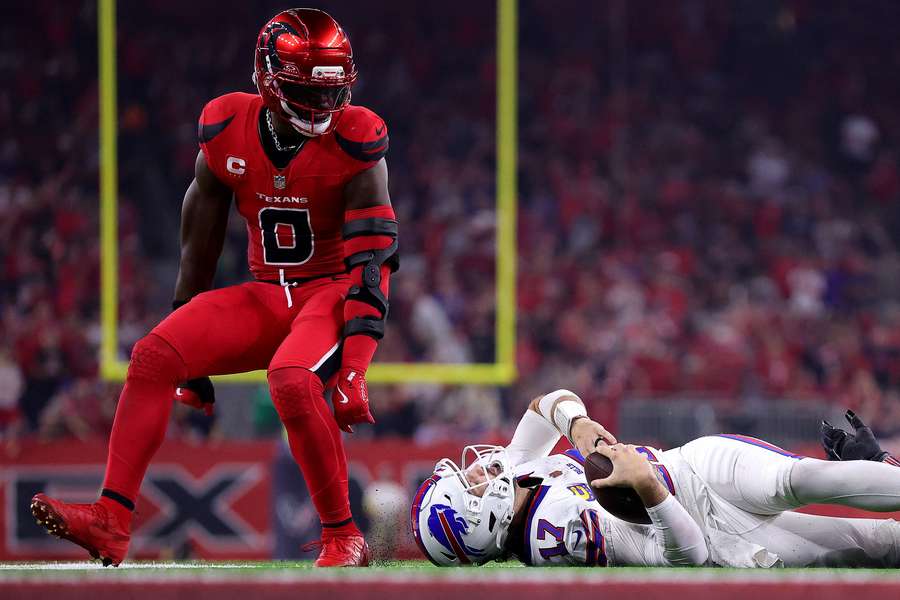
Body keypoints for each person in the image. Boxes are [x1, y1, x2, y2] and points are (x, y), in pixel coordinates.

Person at [31, 8, 397, 567]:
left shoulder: (358, 137)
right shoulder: (227, 126)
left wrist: (354, 369)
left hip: (328, 291)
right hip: (264, 291)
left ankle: (343, 534)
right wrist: (187, 313)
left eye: (333, 92)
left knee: (292, 383)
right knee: (154, 355)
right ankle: (111, 519)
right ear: (270, 79)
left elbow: (374, 261)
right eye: (308, 91)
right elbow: (200, 229)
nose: (326, 108)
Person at [411, 390, 900, 568]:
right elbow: (690, 556)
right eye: (469, 484)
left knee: (804, 476)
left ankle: (879, 469)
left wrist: (577, 425)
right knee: (877, 546)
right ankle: (880, 468)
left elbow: (544, 405)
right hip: (719, 536)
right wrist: (648, 488)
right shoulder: (559, 537)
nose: (476, 468)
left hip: (696, 467)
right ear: (482, 519)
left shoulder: (516, 474)